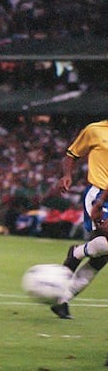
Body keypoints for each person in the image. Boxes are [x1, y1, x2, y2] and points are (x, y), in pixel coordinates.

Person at [53, 120, 108, 319]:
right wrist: (67, 175)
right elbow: (72, 153)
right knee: (104, 244)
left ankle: (62, 300)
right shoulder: (95, 130)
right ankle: (78, 252)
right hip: (98, 193)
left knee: (101, 257)